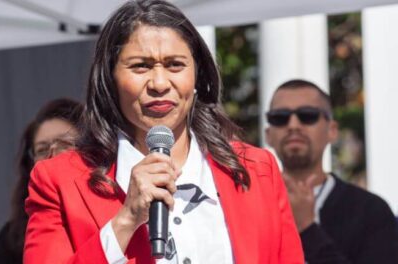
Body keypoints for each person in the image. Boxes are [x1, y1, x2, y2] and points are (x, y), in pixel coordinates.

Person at [23, 1, 303, 263]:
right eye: (140, 66)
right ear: (110, 80)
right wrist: (126, 220)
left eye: (175, 65)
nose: (159, 83)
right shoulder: (60, 181)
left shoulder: (257, 170)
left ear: (197, 76)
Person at [265, 79, 398, 263]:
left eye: (307, 115)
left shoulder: (371, 212)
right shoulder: (246, 205)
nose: (293, 125)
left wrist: (307, 228)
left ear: (332, 130)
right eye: (280, 117)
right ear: (268, 134)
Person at [0, 98, 83, 264]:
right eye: (42, 150)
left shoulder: (118, 212)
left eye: (65, 143)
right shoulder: (11, 238)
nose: (53, 155)